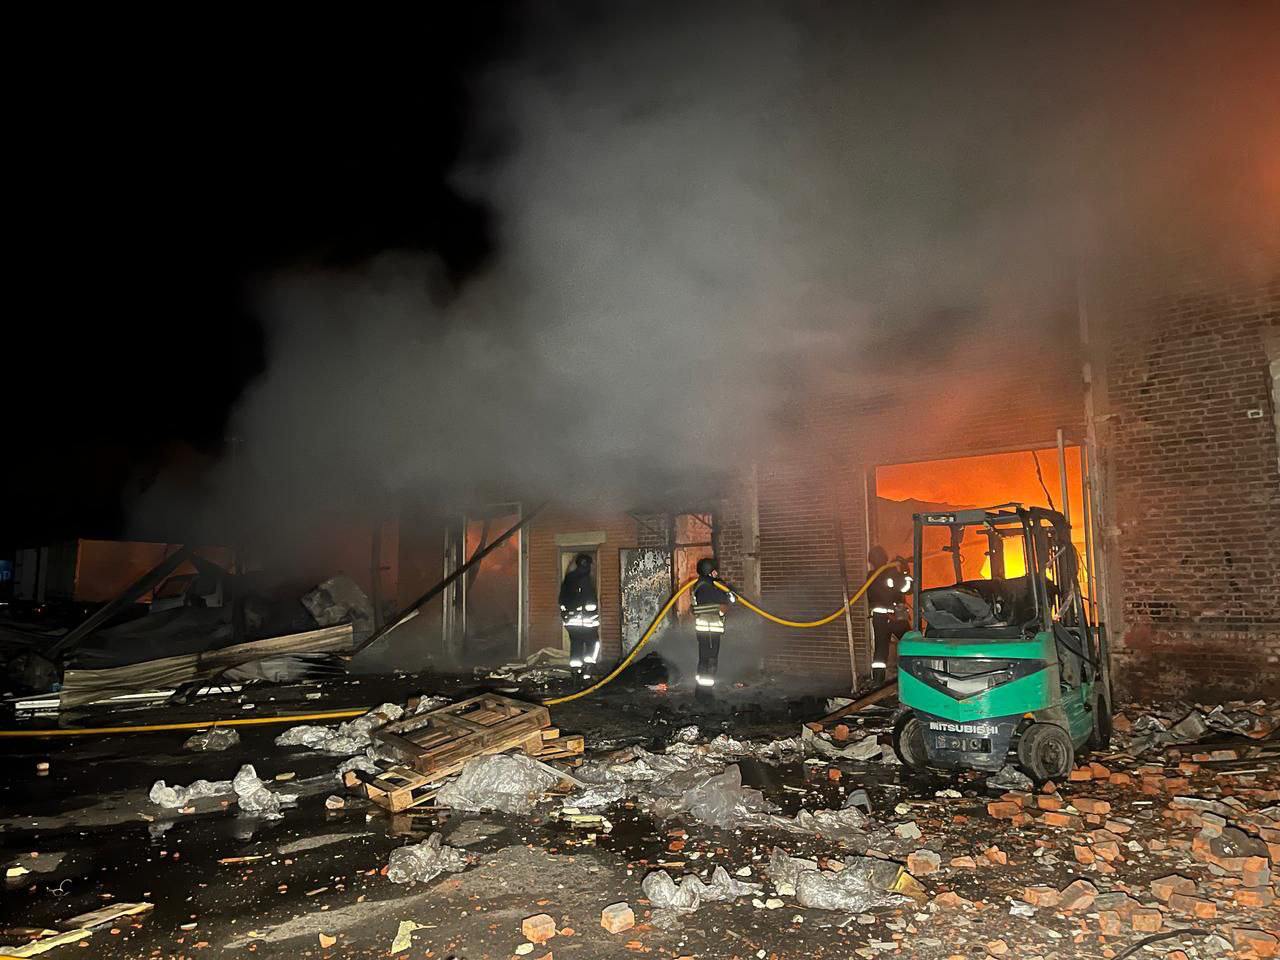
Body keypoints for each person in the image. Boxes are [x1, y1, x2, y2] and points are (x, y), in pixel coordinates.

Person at [867, 545, 912, 686]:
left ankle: (877, 681)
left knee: (880, 650)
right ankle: (914, 674)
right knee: (910, 643)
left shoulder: (870, 576)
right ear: (885, 558)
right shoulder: (891, 573)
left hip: (879, 618)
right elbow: (907, 588)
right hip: (895, 617)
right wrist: (905, 570)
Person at [691, 557, 736, 693]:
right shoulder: (707, 587)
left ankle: (701, 691)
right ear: (709, 571)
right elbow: (728, 600)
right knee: (710, 661)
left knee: (704, 660)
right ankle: (706, 693)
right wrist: (729, 590)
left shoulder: (702, 585)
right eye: (715, 571)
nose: (717, 573)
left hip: (705, 629)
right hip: (709, 629)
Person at [559, 553, 600, 675]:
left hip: (571, 622)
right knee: (593, 643)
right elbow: (590, 600)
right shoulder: (587, 579)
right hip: (588, 621)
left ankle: (576, 670)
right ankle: (589, 667)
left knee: (576, 644)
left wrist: (566, 615)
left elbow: (561, 599)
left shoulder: (569, 577)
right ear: (589, 565)